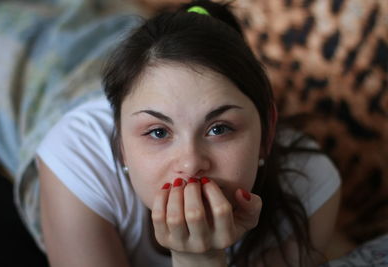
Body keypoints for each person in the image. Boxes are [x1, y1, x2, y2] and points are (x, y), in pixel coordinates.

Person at [34, 0, 341, 266]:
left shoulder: (312, 186)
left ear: (268, 131)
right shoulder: (76, 157)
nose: (191, 163)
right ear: (121, 146)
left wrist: (200, 259)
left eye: (219, 129)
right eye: (158, 132)